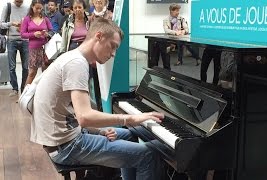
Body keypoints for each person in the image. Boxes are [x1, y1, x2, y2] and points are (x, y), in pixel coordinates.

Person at [31, 18, 164, 180]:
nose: (113, 53)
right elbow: (85, 117)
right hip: (67, 147)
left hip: (63, 138)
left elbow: (73, 115)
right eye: (112, 46)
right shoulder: (77, 64)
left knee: (129, 135)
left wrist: (100, 131)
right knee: (148, 155)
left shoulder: (72, 57)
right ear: (99, 36)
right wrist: (131, 118)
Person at [20, 0, 53, 85]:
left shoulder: (45, 19)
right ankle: (26, 95)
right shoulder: (27, 19)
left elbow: (52, 31)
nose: (38, 10)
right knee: (32, 73)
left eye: (40, 8)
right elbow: (22, 34)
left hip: (45, 48)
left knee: (46, 73)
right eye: (36, 8)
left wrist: (47, 34)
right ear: (32, 7)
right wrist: (33, 34)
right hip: (33, 49)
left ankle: (44, 94)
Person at [0, 0, 29, 96]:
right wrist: (11, 23)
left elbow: (31, 23)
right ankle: (15, 88)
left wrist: (23, 26)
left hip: (25, 40)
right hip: (11, 40)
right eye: (17, 1)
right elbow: (1, 24)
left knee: (26, 67)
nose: (19, 2)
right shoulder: (8, 7)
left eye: (20, 1)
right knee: (12, 67)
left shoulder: (27, 8)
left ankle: (24, 88)